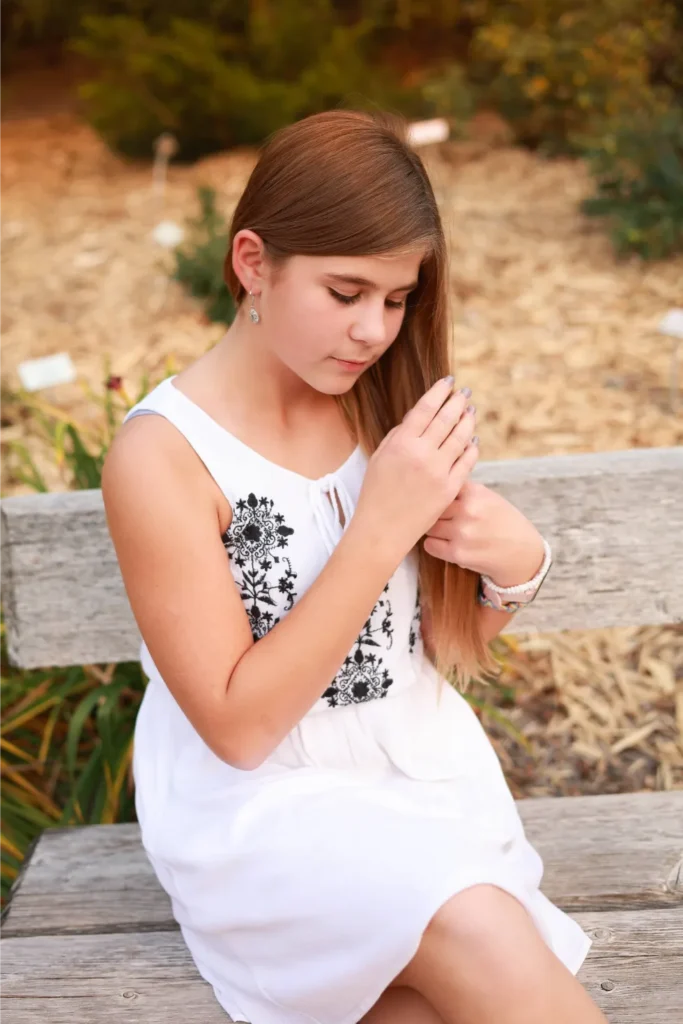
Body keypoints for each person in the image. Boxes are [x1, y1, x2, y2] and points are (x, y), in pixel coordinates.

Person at [102, 109, 606, 1024]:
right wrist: (379, 527)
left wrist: (514, 570)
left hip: (418, 780)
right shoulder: (164, 457)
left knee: (418, 1009)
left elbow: (419, 651)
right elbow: (239, 728)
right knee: (474, 929)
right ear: (253, 262)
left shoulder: (382, 406)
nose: (373, 329)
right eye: (344, 293)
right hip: (261, 817)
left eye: (396, 297)